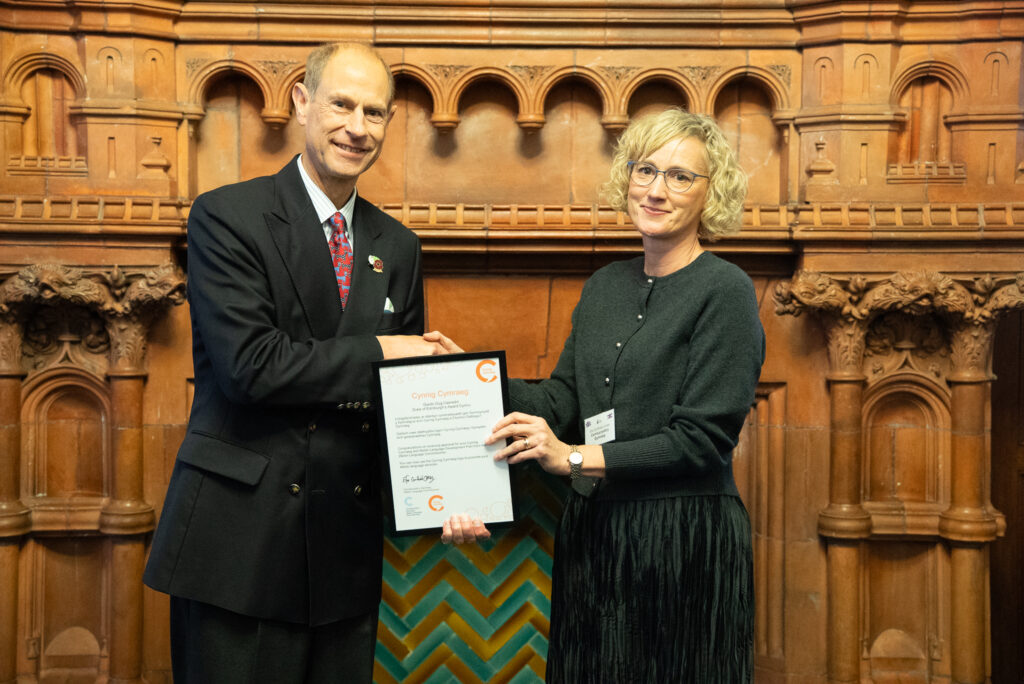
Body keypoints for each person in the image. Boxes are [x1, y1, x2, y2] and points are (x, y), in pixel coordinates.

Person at [143, 42, 471, 683]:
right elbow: (252, 368)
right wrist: (382, 350)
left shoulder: (397, 247)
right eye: (342, 105)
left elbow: (399, 404)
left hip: (342, 556)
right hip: (241, 545)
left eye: (374, 113)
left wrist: (447, 491)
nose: (357, 127)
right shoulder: (228, 216)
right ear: (301, 102)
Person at [439, 108, 764, 682]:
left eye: (680, 176)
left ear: (712, 194)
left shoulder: (726, 290)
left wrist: (573, 458)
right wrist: (460, 378)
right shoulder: (605, 285)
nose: (657, 190)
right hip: (595, 535)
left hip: (681, 541)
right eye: (646, 170)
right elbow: (562, 399)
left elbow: (703, 441)